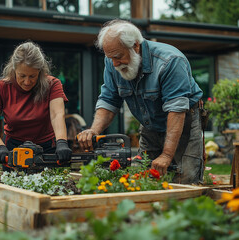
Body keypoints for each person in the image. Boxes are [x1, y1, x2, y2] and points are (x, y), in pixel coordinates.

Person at [77, 20, 204, 184]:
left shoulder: (170, 61)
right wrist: (94, 130)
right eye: (110, 58)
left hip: (183, 121)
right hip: (150, 124)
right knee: (143, 177)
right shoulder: (112, 62)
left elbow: (176, 111)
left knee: (187, 178)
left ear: (135, 46)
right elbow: (109, 100)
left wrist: (166, 155)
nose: (114, 64)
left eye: (118, 57)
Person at [0, 41, 72, 168]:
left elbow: (57, 115)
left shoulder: (52, 84)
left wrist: (62, 142)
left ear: (40, 72)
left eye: (32, 76)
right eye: (22, 75)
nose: (27, 81)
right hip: (13, 150)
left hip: (47, 148)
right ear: (14, 70)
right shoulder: (0, 87)